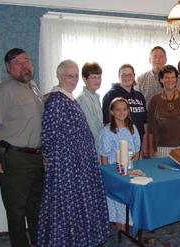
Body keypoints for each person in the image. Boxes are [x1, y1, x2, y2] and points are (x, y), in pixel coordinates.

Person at [38, 59, 110, 246]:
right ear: (59, 76)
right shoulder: (57, 101)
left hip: (79, 163)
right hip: (67, 165)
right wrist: (51, 157)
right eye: (70, 75)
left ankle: (82, 239)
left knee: (79, 206)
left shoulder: (67, 97)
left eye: (76, 75)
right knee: (68, 208)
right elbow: (48, 133)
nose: (74, 79)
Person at [0, 48, 45, 246]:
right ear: (8, 68)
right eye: (18, 63)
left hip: (36, 157)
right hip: (15, 158)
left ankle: (38, 241)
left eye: (26, 60)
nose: (24, 65)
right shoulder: (3, 91)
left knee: (35, 205)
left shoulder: (33, 87)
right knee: (16, 210)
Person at [99, 97, 140, 233]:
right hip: (114, 171)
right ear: (112, 112)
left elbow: (137, 150)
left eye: (124, 109)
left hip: (130, 169)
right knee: (117, 200)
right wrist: (106, 174)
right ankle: (119, 225)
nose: (121, 112)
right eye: (118, 109)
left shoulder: (132, 128)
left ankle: (128, 223)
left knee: (128, 198)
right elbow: (104, 154)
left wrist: (136, 170)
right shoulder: (107, 131)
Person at [148, 65, 180, 158]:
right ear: (161, 80)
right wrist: (150, 147)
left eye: (173, 77)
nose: (170, 80)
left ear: (176, 79)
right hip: (161, 148)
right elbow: (150, 127)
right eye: (166, 77)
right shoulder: (154, 100)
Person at [102, 64, 148, 157]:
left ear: (134, 76)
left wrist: (145, 144)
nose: (127, 77)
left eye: (130, 74)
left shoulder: (139, 96)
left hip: (136, 144)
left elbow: (145, 122)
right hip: (118, 146)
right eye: (123, 75)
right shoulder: (111, 95)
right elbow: (107, 121)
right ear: (119, 77)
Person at [76, 62, 103, 159]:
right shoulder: (83, 99)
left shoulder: (96, 98)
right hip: (90, 149)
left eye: (99, 77)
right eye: (93, 77)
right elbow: (92, 129)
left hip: (97, 146)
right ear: (84, 79)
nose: (97, 80)